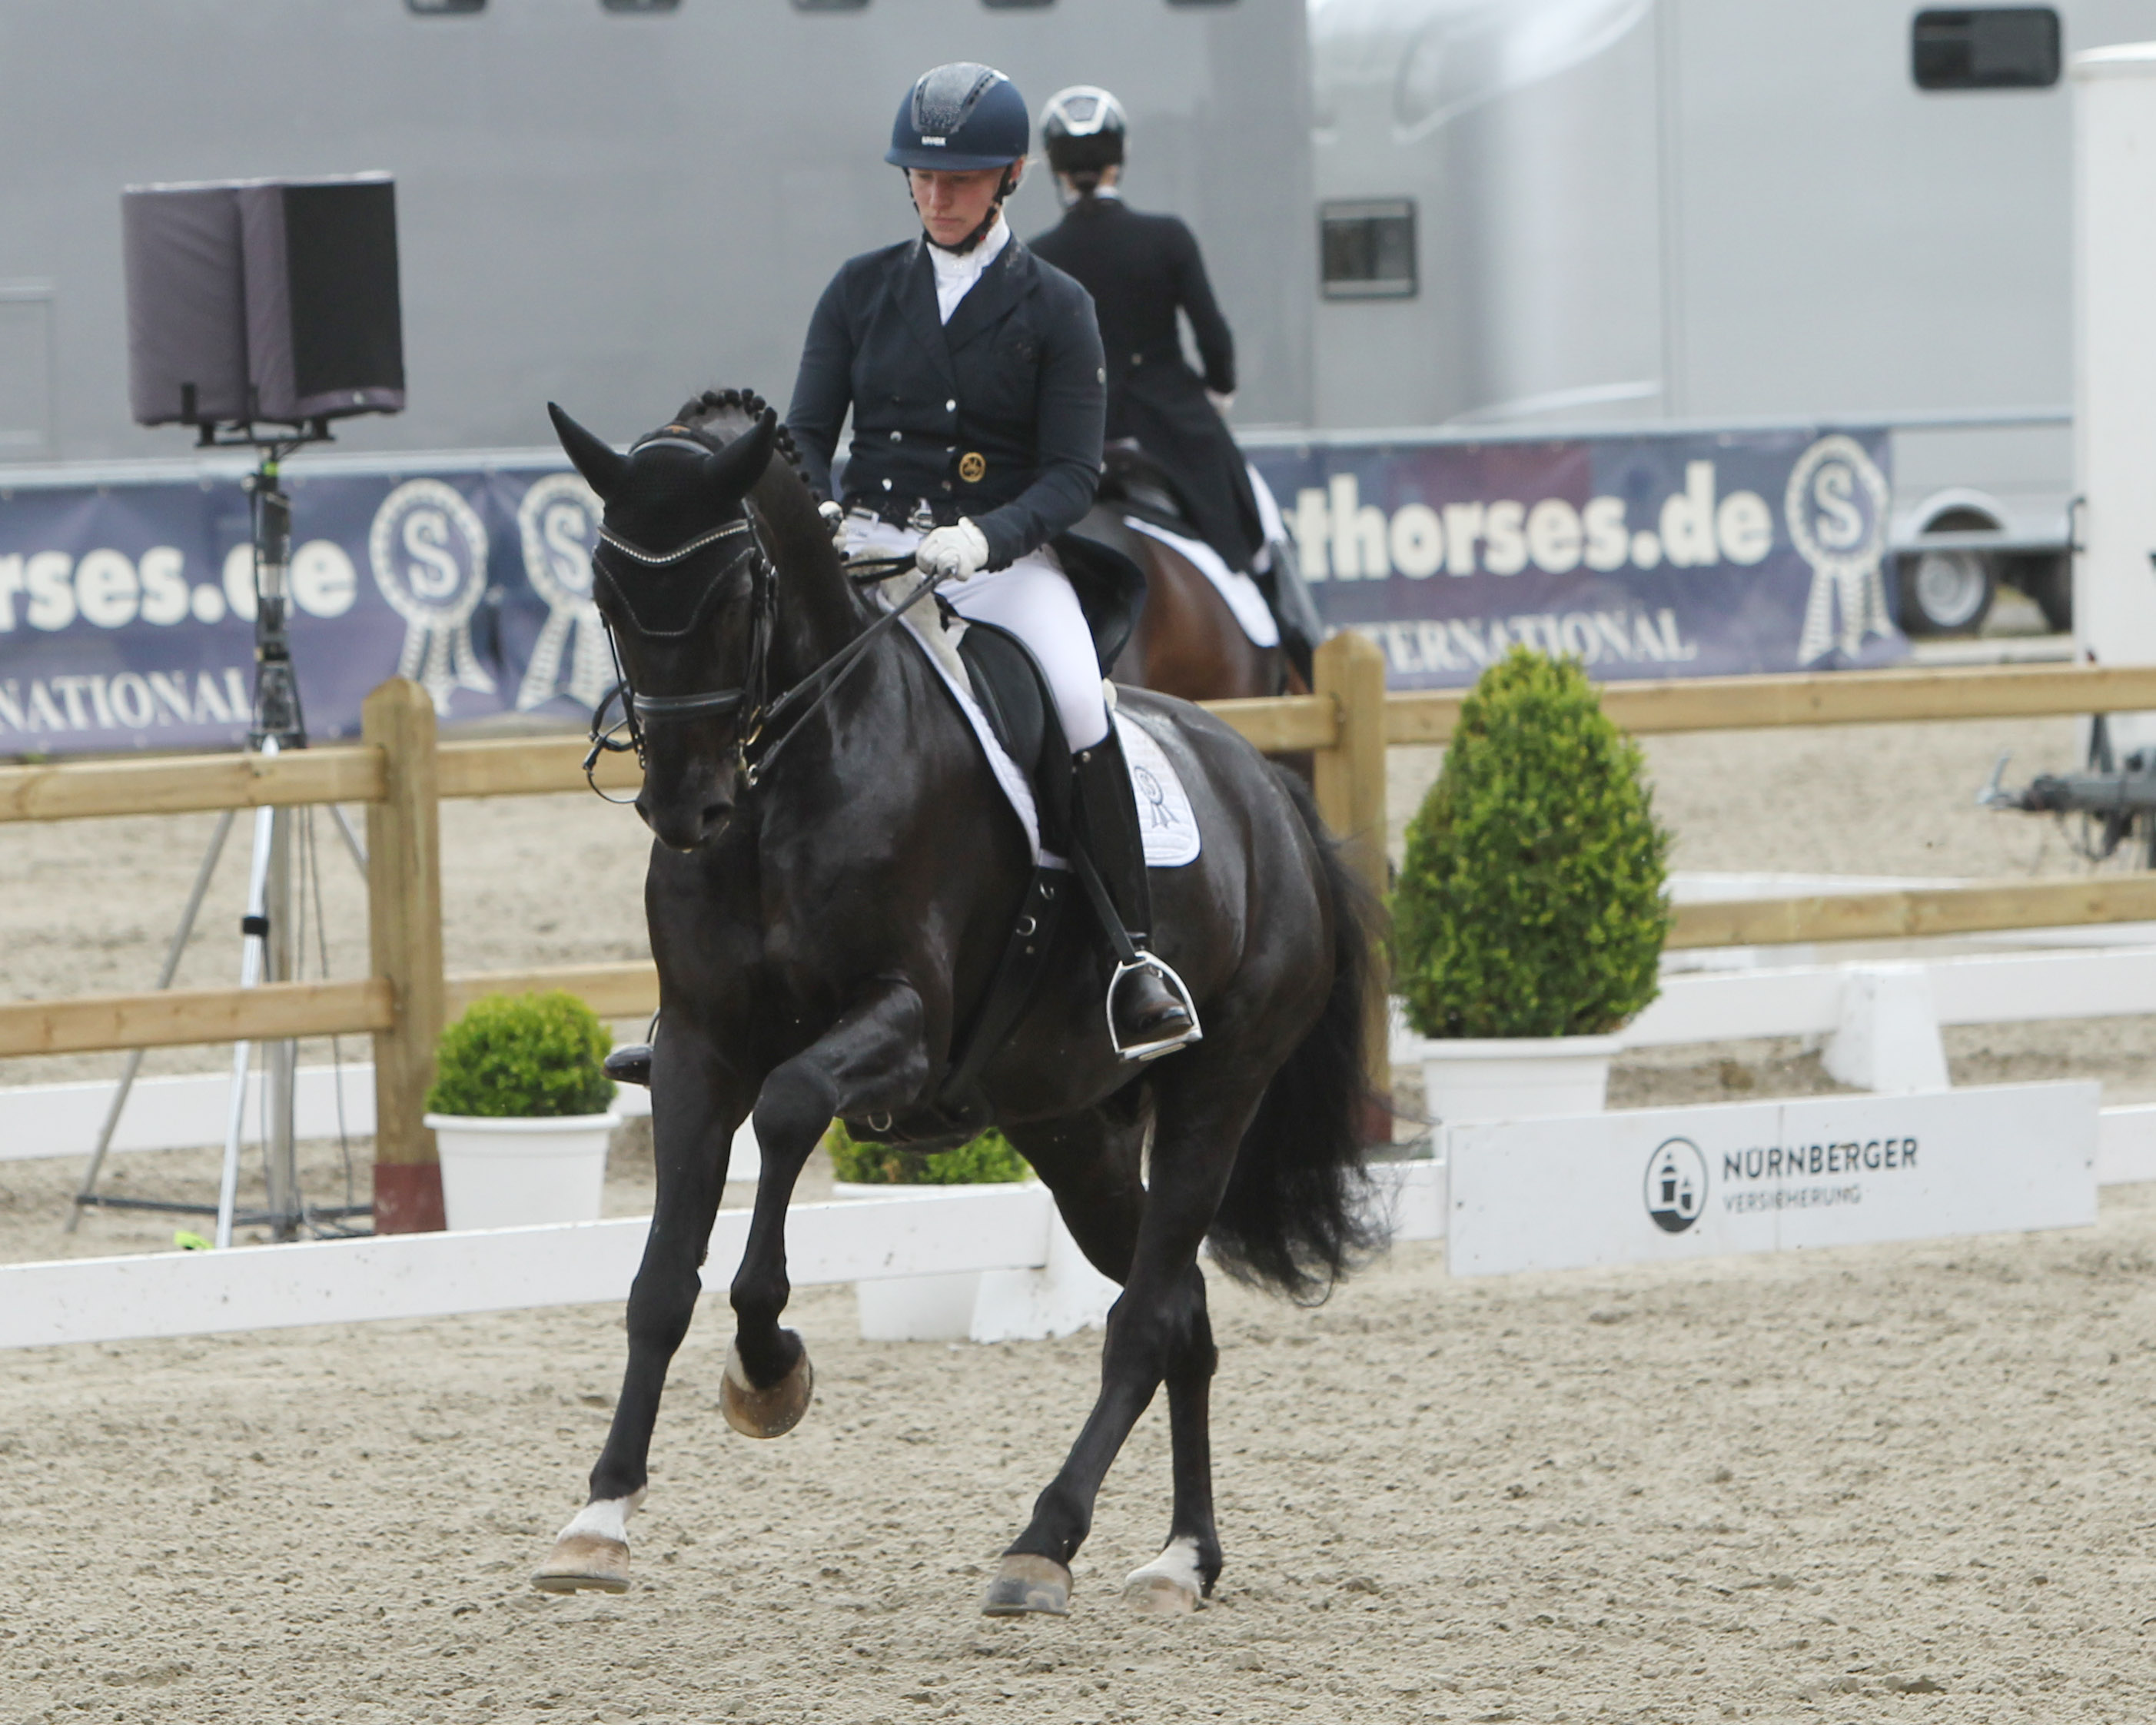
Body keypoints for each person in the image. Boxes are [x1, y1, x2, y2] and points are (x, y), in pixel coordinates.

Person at [783, 61, 1198, 1061]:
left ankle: (1129, 960)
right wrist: (825, 511)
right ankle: (712, 971)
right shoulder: (859, 289)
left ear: (1012, 174)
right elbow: (802, 431)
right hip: (868, 550)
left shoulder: (1056, 306)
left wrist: (987, 536)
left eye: (959, 179)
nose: (936, 196)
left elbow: (1071, 474)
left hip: (998, 558)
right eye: (921, 178)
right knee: (760, 693)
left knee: (1079, 699)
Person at [1028, 86, 1321, 674]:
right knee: (1261, 532)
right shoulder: (1166, 238)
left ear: (1054, 166)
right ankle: (1301, 650)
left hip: (1075, 445)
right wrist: (1218, 389)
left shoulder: (1036, 256)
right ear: (1121, 157)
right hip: (1171, 431)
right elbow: (1213, 339)